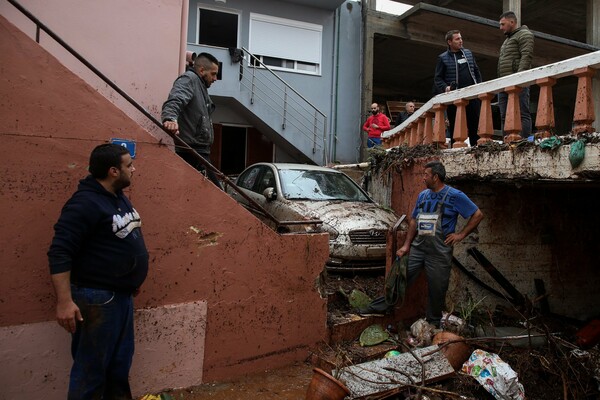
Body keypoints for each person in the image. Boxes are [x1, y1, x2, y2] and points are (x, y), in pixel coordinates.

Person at [48, 143, 149, 399]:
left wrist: (130, 277)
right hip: (98, 299)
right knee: (91, 371)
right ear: (114, 171)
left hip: (121, 296)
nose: (134, 170)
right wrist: (64, 302)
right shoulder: (84, 203)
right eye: (129, 165)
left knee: (118, 368)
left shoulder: (117, 196)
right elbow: (60, 252)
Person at [396, 161, 483, 327]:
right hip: (419, 248)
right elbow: (414, 221)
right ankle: (385, 309)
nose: (423, 178)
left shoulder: (454, 195)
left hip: (439, 251)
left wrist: (461, 234)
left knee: (437, 289)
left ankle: (433, 324)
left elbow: (478, 214)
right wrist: (407, 245)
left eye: (426, 175)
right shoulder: (423, 195)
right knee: (401, 278)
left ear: (435, 177)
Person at [162, 52, 223, 189]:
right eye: (213, 74)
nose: (215, 78)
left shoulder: (200, 86)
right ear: (201, 70)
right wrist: (170, 118)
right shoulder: (189, 79)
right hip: (191, 151)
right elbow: (175, 100)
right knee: (215, 195)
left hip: (199, 150)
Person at [433, 30, 482, 146]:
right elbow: (438, 78)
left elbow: (476, 71)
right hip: (454, 98)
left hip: (472, 95)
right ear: (449, 42)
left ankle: (476, 150)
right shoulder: (443, 58)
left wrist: (479, 85)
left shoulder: (468, 53)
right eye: (457, 39)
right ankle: (456, 149)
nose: (461, 41)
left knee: (475, 124)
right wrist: (446, 87)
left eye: (461, 38)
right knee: (456, 125)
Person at [497, 11, 534, 139]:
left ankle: (524, 141)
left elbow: (526, 56)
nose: (501, 27)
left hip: (518, 81)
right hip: (504, 82)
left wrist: (519, 78)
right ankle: (507, 140)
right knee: (504, 115)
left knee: (522, 112)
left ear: (512, 22)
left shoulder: (524, 34)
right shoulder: (508, 40)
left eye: (503, 24)